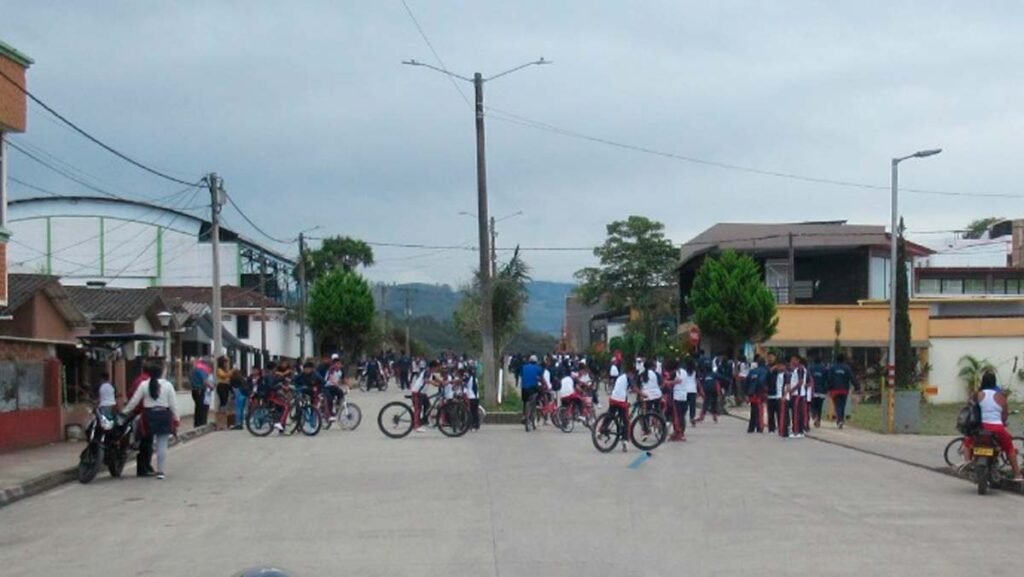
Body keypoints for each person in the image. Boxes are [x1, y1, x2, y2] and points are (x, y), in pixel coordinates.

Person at [122, 365, 178, 480]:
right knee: (161, 445)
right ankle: (160, 471)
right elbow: (173, 405)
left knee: (145, 442)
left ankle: (142, 462)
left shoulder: (144, 384)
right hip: (164, 416)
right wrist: (177, 419)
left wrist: (124, 412)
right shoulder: (168, 385)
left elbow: (134, 402)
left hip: (148, 416)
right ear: (162, 372)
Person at [971, 371, 1023, 481]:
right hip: (998, 428)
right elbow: (1004, 416)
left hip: (982, 427)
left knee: (973, 443)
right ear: (995, 382)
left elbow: (970, 407)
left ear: (983, 381)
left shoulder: (978, 394)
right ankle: (1017, 474)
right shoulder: (1002, 397)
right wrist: (1003, 422)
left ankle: (970, 463)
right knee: (1009, 448)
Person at [827, 354, 857, 428]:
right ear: (843, 360)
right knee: (842, 405)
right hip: (844, 390)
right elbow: (852, 377)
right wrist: (857, 386)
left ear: (836, 359)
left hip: (834, 390)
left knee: (837, 405)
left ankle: (840, 420)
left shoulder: (832, 367)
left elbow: (829, 378)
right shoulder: (847, 368)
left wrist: (828, 388)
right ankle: (841, 420)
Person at [520, 355, 543, 431]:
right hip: (533, 388)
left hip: (524, 388)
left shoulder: (524, 367)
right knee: (536, 399)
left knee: (525, 401)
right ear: (536, 362)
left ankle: (524, 415)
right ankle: (535, 410)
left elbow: (522, 375)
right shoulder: (538, 368)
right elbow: (541, 378)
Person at [666, 359, 687, 442]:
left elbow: (669, 382)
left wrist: (668, 382)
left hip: (676, 396)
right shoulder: (684, 372)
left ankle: (679, 433)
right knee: (681, 415)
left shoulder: (674, 373)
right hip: (684, 396)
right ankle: (679, 432)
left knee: (676, 416)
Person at [746, 356, 768, 433]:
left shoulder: (752, 371)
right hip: (760, 393)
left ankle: (751, 427)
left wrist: (747, 393)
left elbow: (747, 382)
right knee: (760, 410)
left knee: (753, 410)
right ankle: (759, 427)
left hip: (752, 393)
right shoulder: (766, 371)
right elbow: (763, 382)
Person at [767, 357, 787, 435]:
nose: (779, 367)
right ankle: (771, 428)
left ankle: (780, 427)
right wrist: (771, 370)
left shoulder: (785, 374)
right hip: (771, 395)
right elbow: (767, 380)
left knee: (780, 413)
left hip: (780, 396)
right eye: (778, 366)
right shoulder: (772, 373)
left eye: (781, 366)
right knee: (771, 414)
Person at [808, 356, 829, 428]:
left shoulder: (810, 368)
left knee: (812, 405)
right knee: (819, 407)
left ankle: (814, 416)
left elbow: (808, 378)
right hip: (822, 391)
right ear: (821, 362)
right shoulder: (825, 369)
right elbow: (827, 380)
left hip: (812, 390)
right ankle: (818, 420)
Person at [190, 358, 211, 426]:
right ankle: (201, 423)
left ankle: (196, 423)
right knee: (201, 407)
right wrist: (211, 387)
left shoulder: (193, 370)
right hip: (200, 390)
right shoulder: (201, 370)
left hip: (194, 390)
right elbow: (204, 381)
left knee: (197, 407)